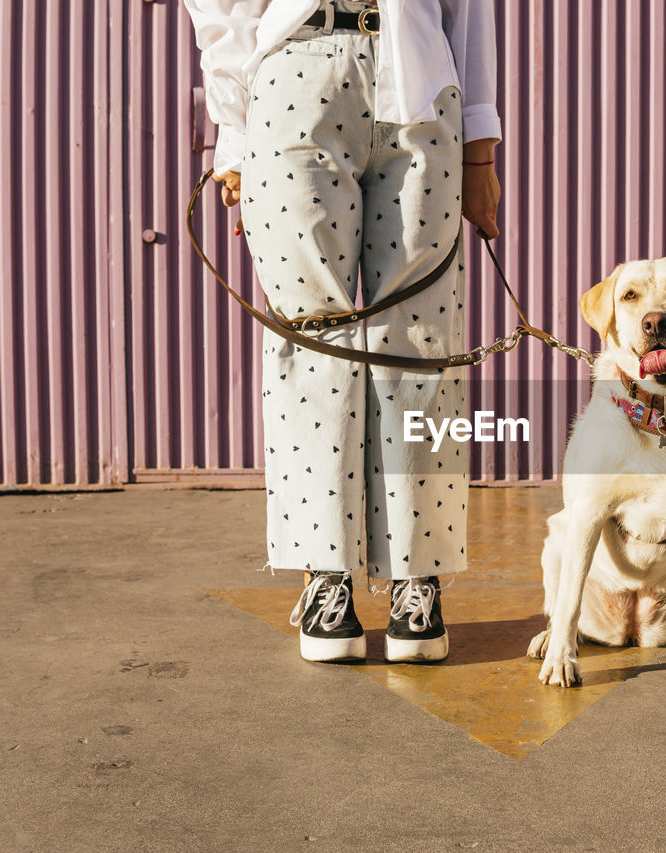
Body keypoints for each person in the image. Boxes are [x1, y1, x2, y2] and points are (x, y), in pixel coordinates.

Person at [181, 0, 501, 663]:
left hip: (418, 77)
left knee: (421, 343)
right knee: (309, 340)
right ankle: (326, 577)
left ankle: (419, 578)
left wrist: (479, 146)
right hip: (295, 74)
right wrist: (235, 131)